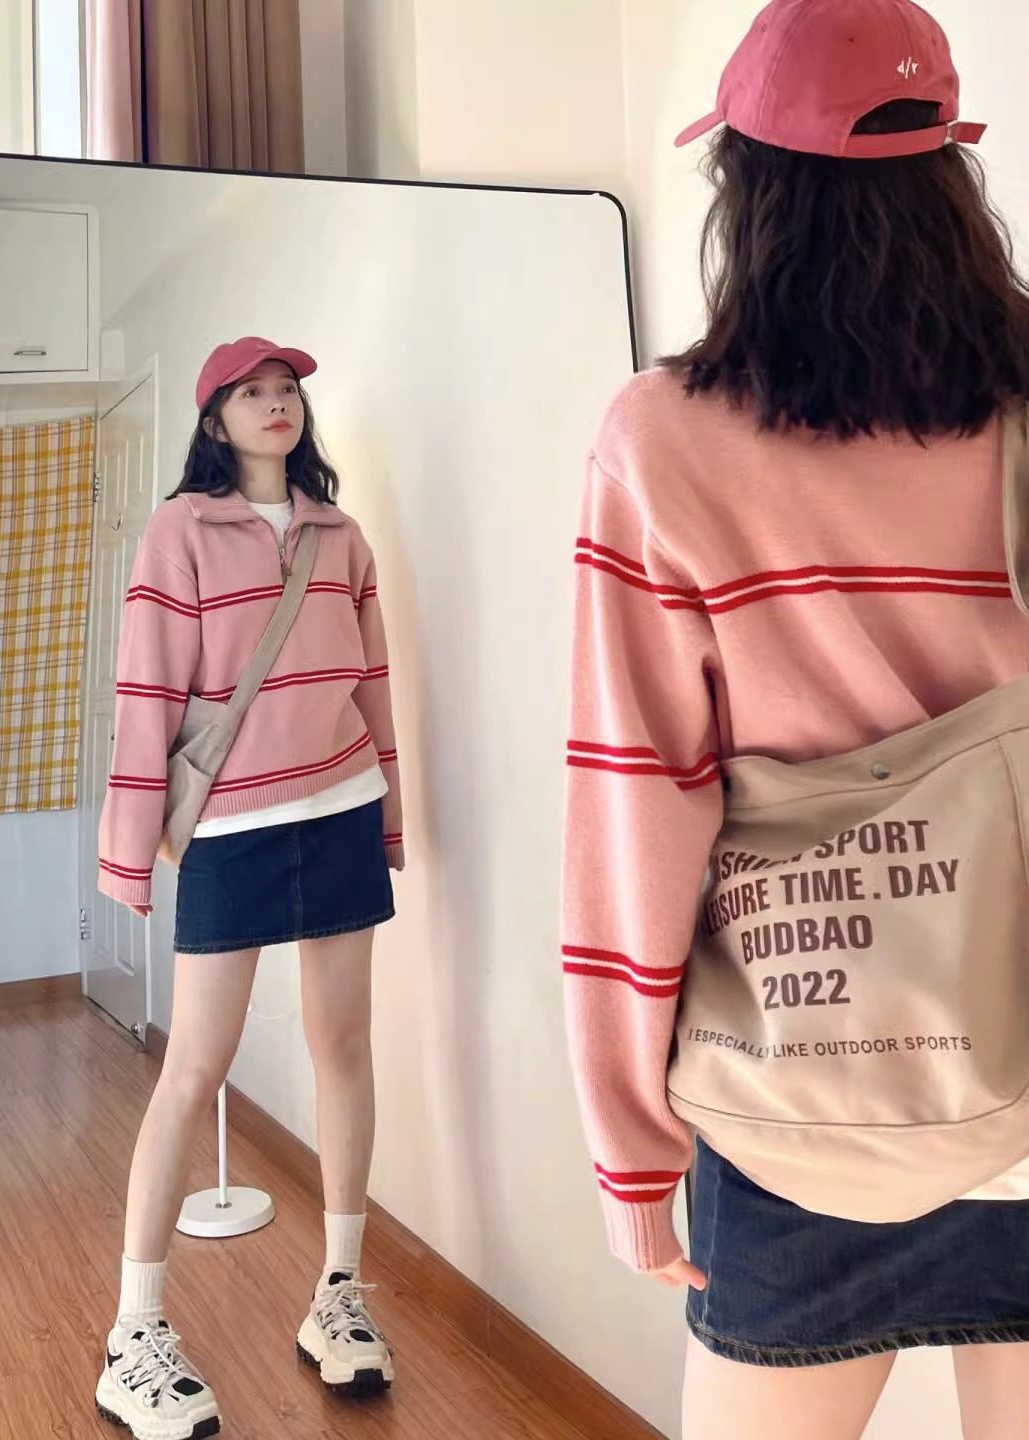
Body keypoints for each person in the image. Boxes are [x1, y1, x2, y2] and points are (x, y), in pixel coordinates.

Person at [561, 3, 1029, 1438]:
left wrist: (631, 1149)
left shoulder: (665, 441)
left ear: (745, 186)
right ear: (949, 171)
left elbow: (634, 798)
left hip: (805, 1091)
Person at [94, 337, 404, 1438]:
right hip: (231, 826)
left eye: (288, 392)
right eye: (252, 393)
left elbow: (372, 683)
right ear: (215, 419)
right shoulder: (179, 530)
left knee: (344, 1045)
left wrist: (390, 817)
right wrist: (129, 851)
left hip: (341, 806)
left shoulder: (341, 535)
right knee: (195, 1067)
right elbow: (146, 691)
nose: (277, 405)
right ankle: (134, 1332)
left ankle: (340, 1293)